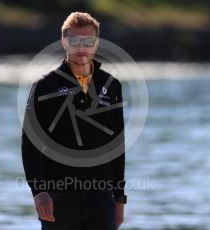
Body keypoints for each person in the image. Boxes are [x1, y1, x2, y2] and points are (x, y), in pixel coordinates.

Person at [22, 12, 127, 230]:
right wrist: (39, 192)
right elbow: (30, 145)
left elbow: (117, 145)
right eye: (74, 41)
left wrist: (119, 198)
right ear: (64, 42)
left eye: (88, 41)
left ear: (96, 44)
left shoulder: (112, 84)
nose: (82, 47)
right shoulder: (44, 87)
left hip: (101, 199)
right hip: (58, 197)